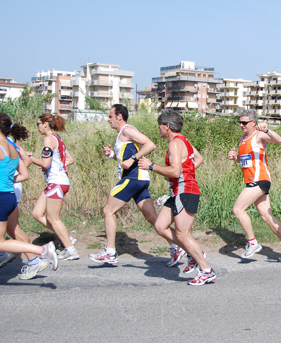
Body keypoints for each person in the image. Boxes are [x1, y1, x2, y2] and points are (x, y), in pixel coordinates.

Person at [89, 104, 185, 267]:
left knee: (108, 210)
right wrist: (112, 155)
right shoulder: (122, 133)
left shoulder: (127, 129)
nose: (108, 119)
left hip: (133, 178)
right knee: (153, 218)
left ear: (119, 116)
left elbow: (150, 144)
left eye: (111, 116)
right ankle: (179, 247)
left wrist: (133, 159)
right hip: (138, 179)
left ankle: (110, 252)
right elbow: (124, 160)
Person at [138, 109, 216, 286]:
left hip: (185, 190)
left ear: (167, 126)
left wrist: (151, 166)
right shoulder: (184, 140)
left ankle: (206, 270)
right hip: (178, 190)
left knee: (183, 234)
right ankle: (192, 253)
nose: (159, 129)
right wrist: (184, 172)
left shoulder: (174, 143)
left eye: (160, 126)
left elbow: (174, 170)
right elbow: (199, 159)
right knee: (160, 226)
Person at [227, 109, 281, 261]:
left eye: (244, 122)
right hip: (251, 180)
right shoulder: (242, 138)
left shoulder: (259, 135)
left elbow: (278, 140)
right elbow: (246, 159)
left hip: (260, 179)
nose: (241, 125)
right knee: (266, 215)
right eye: (240, 122)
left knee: (238, 209)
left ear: (253, 123)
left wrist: (268, 130)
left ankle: (253, 243)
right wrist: (235, 158)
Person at [0, 113, 58, 277]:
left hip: (1, 197)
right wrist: (6, 179)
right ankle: (33, 261)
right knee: (15, 231)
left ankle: (42, 250)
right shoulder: (12, 145)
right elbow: (24, 175)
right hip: (9, 196)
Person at [28, 114, 79, 262]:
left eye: (38, 124)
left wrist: (30, 158)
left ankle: (71, 249)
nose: (37, 127)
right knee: (37, 214)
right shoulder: (58, 138)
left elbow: (45, 163)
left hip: (56, 182)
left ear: (45, 124)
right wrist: (52, 167)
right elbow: (69, 159)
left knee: (53, 218)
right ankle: (66, 237)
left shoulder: (49, 139)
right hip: (56, 181)